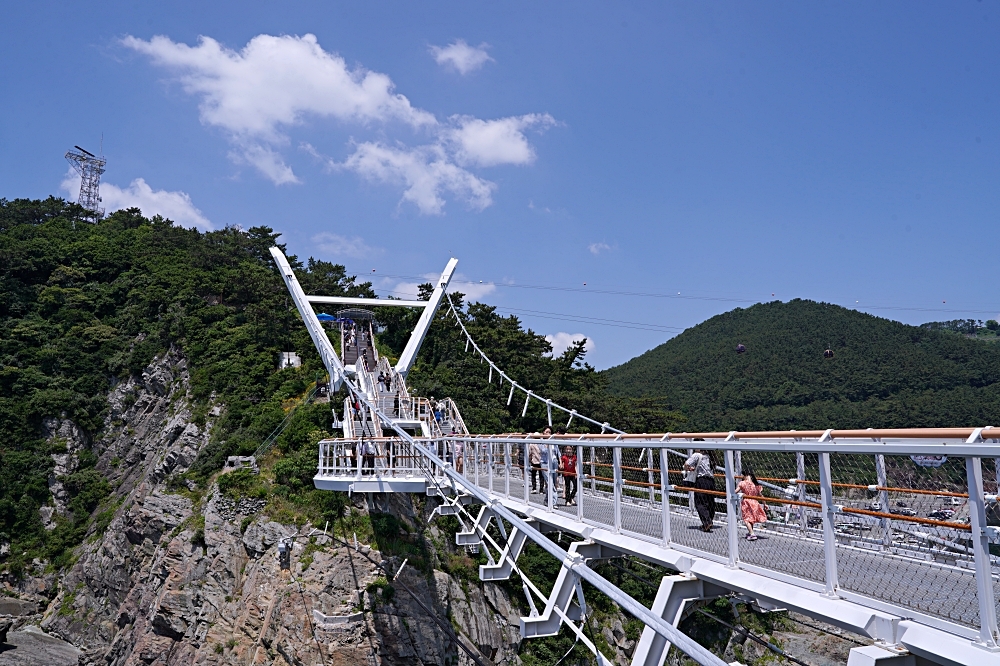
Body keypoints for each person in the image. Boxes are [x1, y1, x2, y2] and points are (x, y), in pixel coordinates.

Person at [684, 449, 716, 531]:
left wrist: (690, 469)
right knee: (710, 502)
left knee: (700, 502)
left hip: (701, 480)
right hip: (711, 481)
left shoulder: (697, 455)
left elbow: (686, 465)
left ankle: (707, 522)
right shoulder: (710, 456)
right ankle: (709, 520)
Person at [738, 466, 767, 541]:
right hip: (755, 502)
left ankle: (752, 533)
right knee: (751, 518)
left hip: (746, 502)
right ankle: (750, 532)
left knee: (746, 519)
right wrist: (765, 504)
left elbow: (736, 491)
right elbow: (761, 496)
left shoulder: (743, 483)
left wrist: (728, 496)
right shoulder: (755, 485)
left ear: (745, 475)